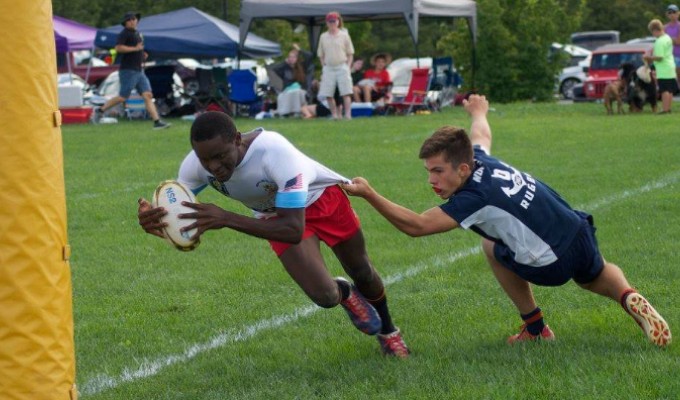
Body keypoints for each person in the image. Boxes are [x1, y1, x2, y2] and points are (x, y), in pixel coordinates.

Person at [341, 94, 671, 347]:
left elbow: (417, 226)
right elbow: (481, 134)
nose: (432, 180)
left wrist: (370, 194)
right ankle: (627, 295)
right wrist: (478, 112)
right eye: (429, 172)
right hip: (577, 230)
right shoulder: (480, 157)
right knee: (595, 275)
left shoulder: (474, 197)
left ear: (462, 169)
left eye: (438, 171)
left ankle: (536, 328)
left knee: (490, 244)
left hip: (550, 263)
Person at [137, 111, 409, 357]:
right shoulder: (196, 166)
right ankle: (344, 292)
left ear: (237, 139)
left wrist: (227, 218)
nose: (214, 167)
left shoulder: (275, 153)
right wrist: (159, 224)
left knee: (362, 270)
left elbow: (293, 230)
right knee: (325, 298)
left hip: (322, 199)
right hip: (275, 215)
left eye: (220, 156)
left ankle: (389, 332)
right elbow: (179, 215)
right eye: (204, 159)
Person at [93, 12, 170, 129]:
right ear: (125, 23)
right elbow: (118, 47)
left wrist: (142, 53)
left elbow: (136, 49)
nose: (133, 21)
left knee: (148, 95)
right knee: (123, 97)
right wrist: (136, 49)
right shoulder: (124, 33)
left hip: (139, 70)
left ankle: (157, 122)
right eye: (129, 20)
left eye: (134, 19)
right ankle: (100, 110)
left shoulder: (137, 33)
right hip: (128, 70)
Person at [317, 11, 354, 120]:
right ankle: (334, 115)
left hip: (342, 65)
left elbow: (350, 53)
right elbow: (320, 54)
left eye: (334, 21)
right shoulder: (323, 37)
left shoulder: (344, 35)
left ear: (338, 22)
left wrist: (348, 66)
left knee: (346, 92)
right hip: (329, 67)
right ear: (327, 23)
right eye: (330, 21)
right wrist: (323, 65)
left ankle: (348, 115)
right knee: (328, 93)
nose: (332, 23)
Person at [644, 19, 679, 114]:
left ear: (655, 30)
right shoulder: (667, 37)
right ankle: (668, 108)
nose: (653, 34)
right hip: (670, 66)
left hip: (663, 69)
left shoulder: (659, 41)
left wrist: (649, 57)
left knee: (664, 90)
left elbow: (660, 57)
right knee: (670, 90)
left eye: (652, 32)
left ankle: (665, 109)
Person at [272, 44, 313, 117]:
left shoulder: (302, 66)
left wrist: (300, 50)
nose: (291, 59)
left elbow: (310, 56)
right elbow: (275, 69)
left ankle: (299, 111)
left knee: (298, 93)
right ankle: (288, 112)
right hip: (288, 90)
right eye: (290, 57)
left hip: (300, 90)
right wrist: (284, 62)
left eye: (293, 57)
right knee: (282, 96)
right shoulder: (285, 68)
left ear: (297, 58)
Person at [664, 4, 680, 83]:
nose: (672, 14)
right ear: (667, 14)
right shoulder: (665, 27)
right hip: (669, 56)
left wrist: (668, 39)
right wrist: (673, 39)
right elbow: (663, 42)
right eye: (670, 12)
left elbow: (678, 42)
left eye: (674, 12)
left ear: (678, 13)